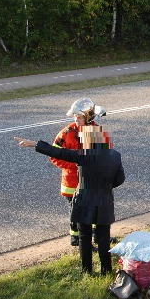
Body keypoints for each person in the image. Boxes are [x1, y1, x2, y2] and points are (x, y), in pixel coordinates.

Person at [14, 125, 125, 275]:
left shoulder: (83, 154)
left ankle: (87, 271)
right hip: (104, 203)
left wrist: (34, 144)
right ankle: (106, 270)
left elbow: (58, 152)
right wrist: (105, 188)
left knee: (84, 238)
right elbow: (120, 179)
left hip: (83, 203)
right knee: (104, 238)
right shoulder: (115, 155)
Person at [50, 98, 106, 246]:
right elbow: (54, 155)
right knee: (78, 213)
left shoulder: (95, 130)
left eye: (79, 116)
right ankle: (77, 239)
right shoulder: (66, 133)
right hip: (72, 183)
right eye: (75, 116)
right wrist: (76, 164)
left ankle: (96, 237)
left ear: (88, 117)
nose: (76, 119)